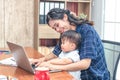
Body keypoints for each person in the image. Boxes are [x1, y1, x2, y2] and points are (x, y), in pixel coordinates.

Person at [32, 8, 110, 80]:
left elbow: (85, 64)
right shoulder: (65, 32)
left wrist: (53, 66)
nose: (57, 29)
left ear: (65, 17)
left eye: (57, 25)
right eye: (54, 28)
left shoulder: (87, 31)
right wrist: (41, 60)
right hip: (75, 74)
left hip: (93, 76)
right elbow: (56, 52)